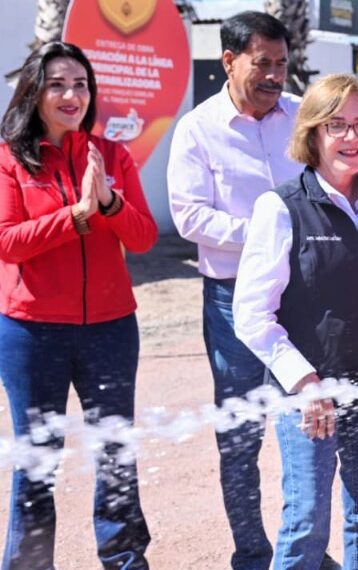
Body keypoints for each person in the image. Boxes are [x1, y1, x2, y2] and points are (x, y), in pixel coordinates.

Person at [232, 73, 358, 570]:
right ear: (313, 133)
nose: (351, 137)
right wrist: (304, 381)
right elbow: (251, 313)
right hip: (308, 393)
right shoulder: (280, 208)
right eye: (337, 125)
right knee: (306, 517)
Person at [0, 41, 158, 569]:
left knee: (116, 451)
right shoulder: (8, 157)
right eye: (58, 84)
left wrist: (109, 201)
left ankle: (124, 558)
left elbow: (143, 238)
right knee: (38, 458)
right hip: (31, 331)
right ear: (35, 92)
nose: (72, 94)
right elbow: (7, 242)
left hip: (111, 329)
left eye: (82, 84)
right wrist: (77, 216)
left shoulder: (112, 155)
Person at [166, 12, 305, 570]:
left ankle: (304, 548)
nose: (275, 76)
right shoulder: (197, 129)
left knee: (307, 426)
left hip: (305, 300)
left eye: (282, 64)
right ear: (229, 61)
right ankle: (252, 553)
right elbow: (189, 217)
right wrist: (268, 234)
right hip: (232, 302)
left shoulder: (302, 117)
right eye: (262, 63)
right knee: (241, 437)